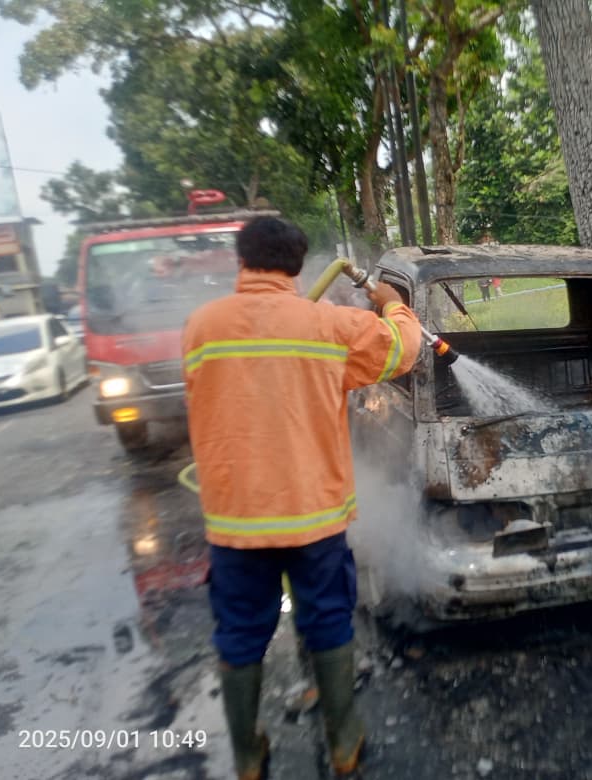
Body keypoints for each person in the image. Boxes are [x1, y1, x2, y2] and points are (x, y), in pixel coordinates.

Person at [182, 216, 421, 780]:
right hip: (313, 519)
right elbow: (403, 352)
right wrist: (392, 304)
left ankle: (246, 756)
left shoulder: (201, 326)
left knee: (239, 631)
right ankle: (344, 746)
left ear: (241, 260)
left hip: (236, 522)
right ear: (295, 266)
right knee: (328, 620)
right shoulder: (328, 326)